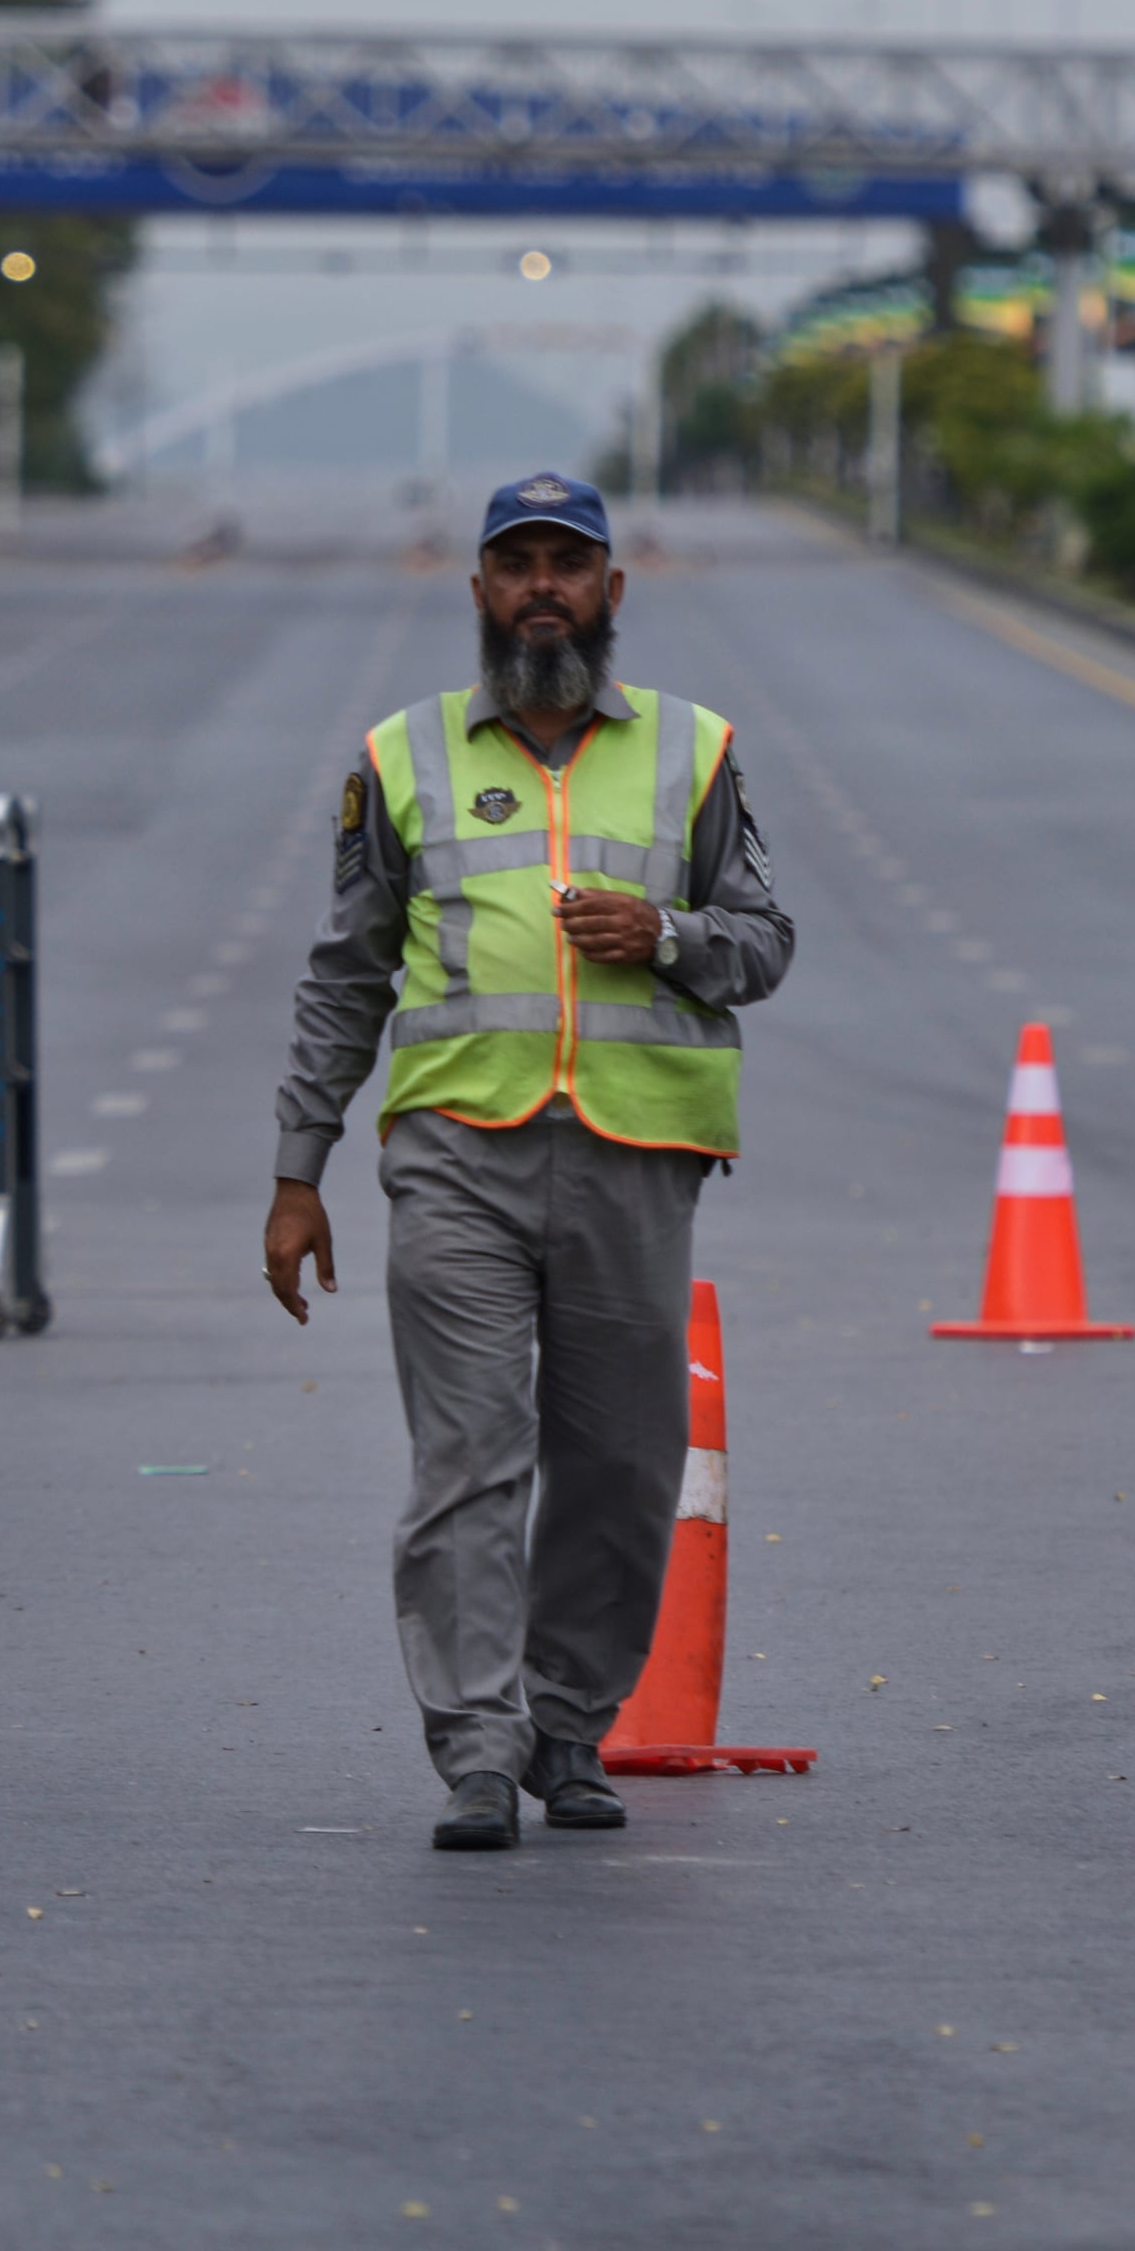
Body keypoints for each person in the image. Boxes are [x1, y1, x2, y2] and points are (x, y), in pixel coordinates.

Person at [264, 472, 796, 1853]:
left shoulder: (695, 750)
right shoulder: (404, 756)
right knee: (469, 1459)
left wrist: (668, 937)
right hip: (457, 1157)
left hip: (637, 1159)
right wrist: (296, 1166)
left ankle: (572, 1725)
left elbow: (766, 942)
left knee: (621, 1465)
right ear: (483, 591)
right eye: (520, 564)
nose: (544, 584)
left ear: (614, 590)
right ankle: (479, 1750)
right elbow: (345, 976)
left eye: (571, 561)